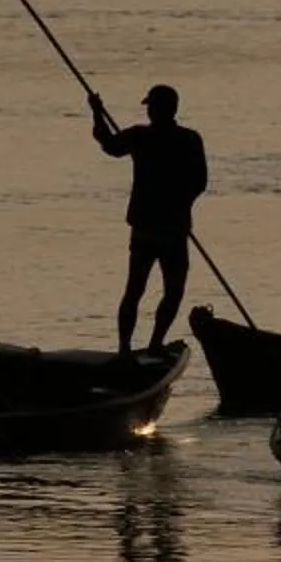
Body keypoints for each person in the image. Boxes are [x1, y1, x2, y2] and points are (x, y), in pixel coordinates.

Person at [90, 82, 208, 357]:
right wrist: (180, 204)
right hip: (171, 229)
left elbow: (109, 144)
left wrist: (96, 113)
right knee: (171, 290)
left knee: (137, 289)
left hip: (150, 228)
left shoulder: (142, 136)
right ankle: (151, 343)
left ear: (156, 110)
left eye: (151, 107)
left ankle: (127, 348)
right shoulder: (189, 139)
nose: (149, 112)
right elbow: (199, 182)